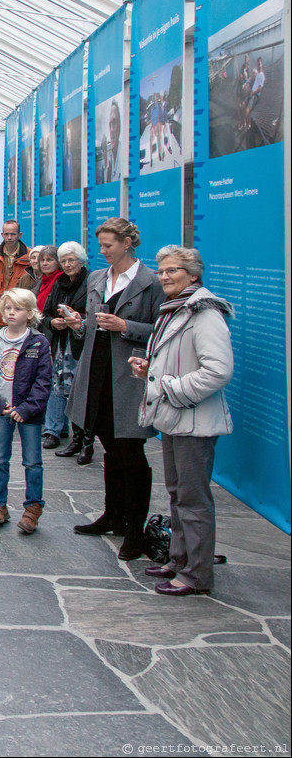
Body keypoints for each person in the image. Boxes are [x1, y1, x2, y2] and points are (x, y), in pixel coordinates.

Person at [132, 246, 234, 596]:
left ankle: (197, 575)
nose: (164, 276)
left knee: (193, 501)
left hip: (194, 421)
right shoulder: (175, 308)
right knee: (178, 496)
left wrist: (171, 387)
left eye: (173, 270)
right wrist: (150, 371)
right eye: (161, 271)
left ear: (193, 274)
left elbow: (218, 371)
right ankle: (178, 559)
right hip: (175, 419)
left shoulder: (204, 313)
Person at [65, 218, 165, 560]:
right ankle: (113, 514)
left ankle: (134, 530)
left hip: (129, 377)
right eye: (101, 245)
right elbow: (92, 325)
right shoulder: (97, 279)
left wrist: (126, 326)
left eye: (108, 245)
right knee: (108, 444)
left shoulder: (150, 282)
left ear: (127, 243)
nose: (103, 251)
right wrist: (80, 324)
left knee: (131, 452)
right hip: (96, 371)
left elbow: (162, 330)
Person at [0, 288, 51, 533]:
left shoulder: (38, 342)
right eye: (7, 308)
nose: (11, 313)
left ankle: (33, 508)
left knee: (32, 461)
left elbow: (44, 380)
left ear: (30, 313)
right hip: (2, 410)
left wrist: (28, 408)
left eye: (17, 309)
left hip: (28, 412)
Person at [44, 242, 91, 458]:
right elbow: (45, 313)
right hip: (61, 341)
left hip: (80, 343)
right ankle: (52, 431)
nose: (67, 264)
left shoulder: (90, 283)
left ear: (82, 261)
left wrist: (77, 319)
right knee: (57, 384)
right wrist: (54, 321)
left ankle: (80, 437)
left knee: (78, 388)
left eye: (72, 260)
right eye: (64, 261)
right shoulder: (59, 283)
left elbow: (94, 313)